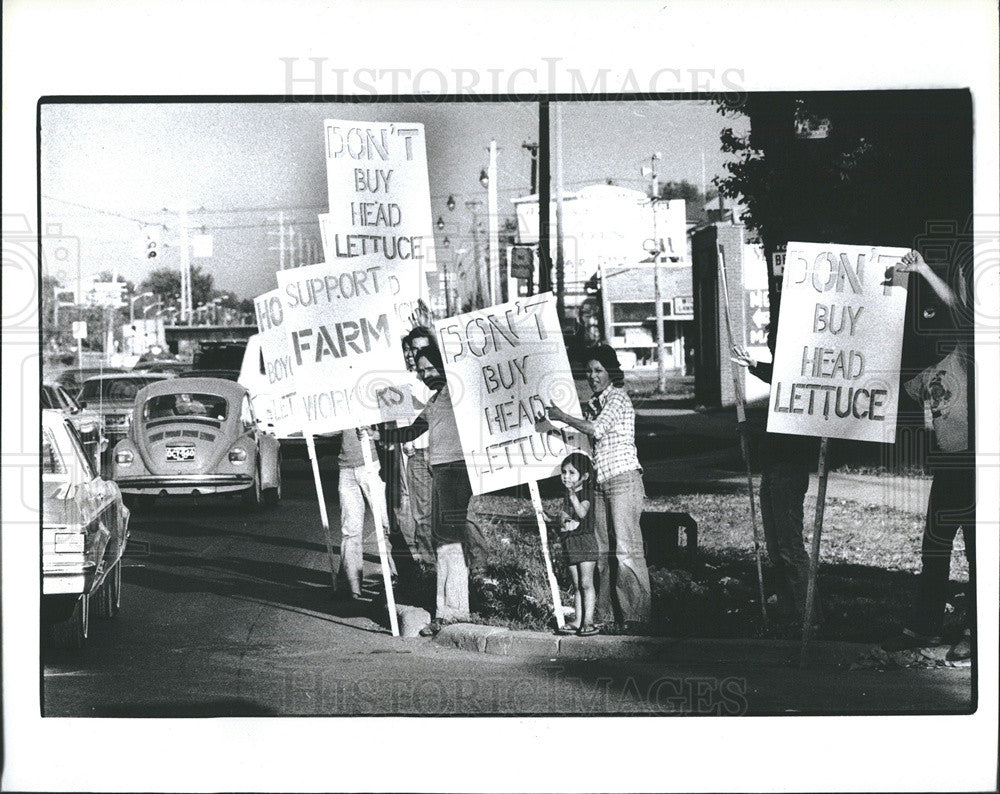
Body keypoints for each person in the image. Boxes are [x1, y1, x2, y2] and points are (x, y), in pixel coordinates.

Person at [882, 249, 974, 662]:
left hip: (978, 467)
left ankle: (977, 631)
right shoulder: (923, 373)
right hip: (949, 468)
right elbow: (887, 371)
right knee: (935, 548)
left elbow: (956, 306)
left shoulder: (972, 356)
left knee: (978, 552)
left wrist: (922, 271)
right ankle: (923, 628)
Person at [382, 344, 486, 635]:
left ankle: (454, 610)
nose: (426, 374)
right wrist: (380, 434)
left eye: (430, 368)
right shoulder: (438, 398)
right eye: (421, 370)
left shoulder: (458, 392)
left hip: (458, 469)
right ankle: (447, 609)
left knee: (449, 539)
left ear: (444, 365)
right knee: (442, 539)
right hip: (442, 468)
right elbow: (415, 428)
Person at [546, 344, 651, 630]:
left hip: (622, 480)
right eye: (589, 371)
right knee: (601, 550)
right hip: (600, 484)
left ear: (611, 373)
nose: (592, 376)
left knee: (626, 549)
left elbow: (596, 430)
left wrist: (562, 417)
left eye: (598, 371)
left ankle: (635, 617)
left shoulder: (617, 398)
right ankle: (602, 616)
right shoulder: (593, 404)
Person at [731, 340, 820, 633]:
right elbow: (776, 374)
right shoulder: (784, 381)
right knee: (775, 547)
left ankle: (807, 615)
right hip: (773, 471)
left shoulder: (804, 379)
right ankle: (789, 610)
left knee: (789, 547)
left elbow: (783, 375)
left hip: (788, 471)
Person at [335, 425, 396, 600]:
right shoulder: (339, 401)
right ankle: (351, 585)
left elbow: (390, 428)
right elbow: (329, 427)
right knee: (350, 530)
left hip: (372, 465)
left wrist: (373, 434)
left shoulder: (369, 398)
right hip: (346, 469)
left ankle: (397, 575)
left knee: (385, 524)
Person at [550, 452, 600, 637]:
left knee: (586, 583)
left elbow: (582, 513)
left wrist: (572, 497)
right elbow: (565, 520)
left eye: (572, 472)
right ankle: (578, 619)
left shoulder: (586, 494)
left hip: (584, 542)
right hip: (570, 542)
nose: (566, 476)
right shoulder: (567, 495)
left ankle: (588, 621)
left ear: (585, 476)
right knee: (577, 584)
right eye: (564, 472)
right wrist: (552, 518)